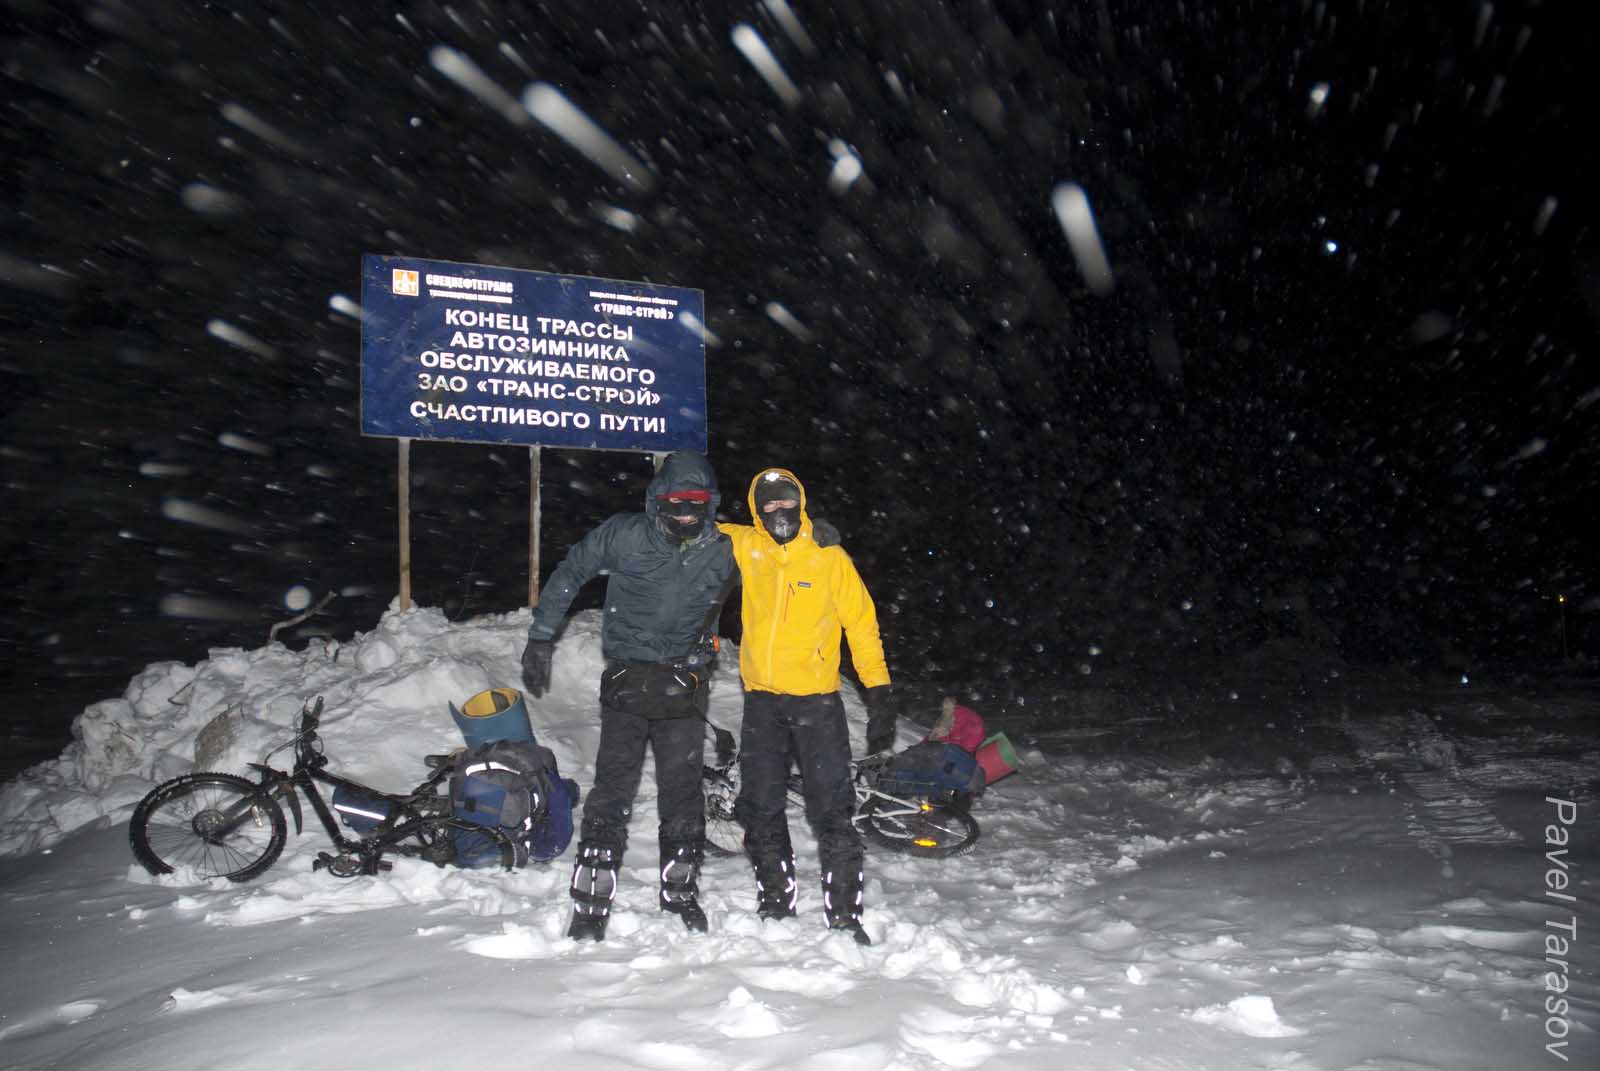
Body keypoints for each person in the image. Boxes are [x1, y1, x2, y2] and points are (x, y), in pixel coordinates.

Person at [520, 451, 733, 941]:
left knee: (683, 792)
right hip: (628, 682)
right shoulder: (625, 534)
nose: (686, 513)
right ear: (658, 500)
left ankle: (680, 891)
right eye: (677, 502)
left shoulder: (724, 546)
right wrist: (541, 635)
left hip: (684, 685)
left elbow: (782, 556)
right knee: (613, 790)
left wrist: (816, 538)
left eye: (696, 504)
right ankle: (591, 900)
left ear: (710, 504)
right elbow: (572, 570)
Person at [717, 467, 899, 945]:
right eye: (769, 505)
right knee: (760, 807)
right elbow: (693, 524)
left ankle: (845, 916)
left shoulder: (828, 556)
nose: (779, 511)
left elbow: (862, 625)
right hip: (762, 704)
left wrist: (879, 691)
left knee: (832, 811)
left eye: (787, 502)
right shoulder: (748, 546)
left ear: (801, 504)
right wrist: (678, 502)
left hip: (817, 706)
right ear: (757, 511)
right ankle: (776, 902)